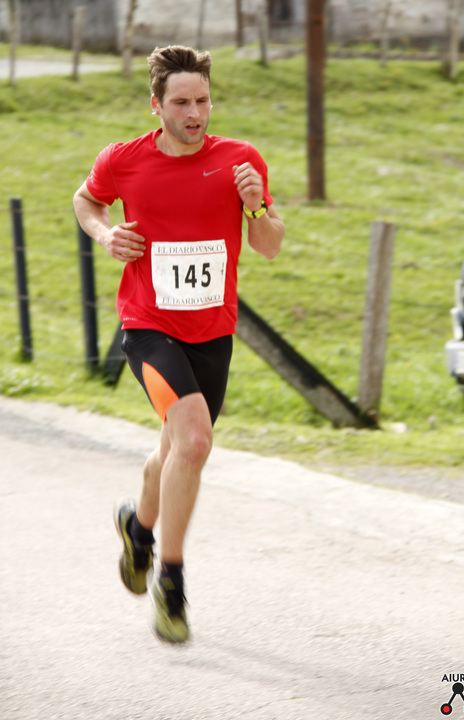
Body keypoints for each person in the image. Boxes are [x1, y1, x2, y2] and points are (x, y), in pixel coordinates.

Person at [73, 45, 284, 643]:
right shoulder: (124, 160)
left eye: (203, 101)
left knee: (175, 449)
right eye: (182, 102)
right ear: (157, 105)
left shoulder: (240, 160)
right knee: (194, 440)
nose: (195, 113)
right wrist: (105, 233)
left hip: (212, 333)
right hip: (148, 326)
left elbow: (269, 245)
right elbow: (86, 199)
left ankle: (137, 529)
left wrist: (255, 208)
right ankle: (171, 580)